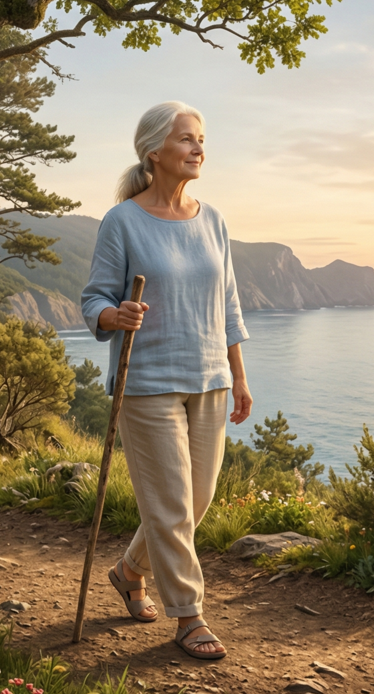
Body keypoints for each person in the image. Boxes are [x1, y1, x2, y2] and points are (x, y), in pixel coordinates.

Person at [80, 101, 252, 660]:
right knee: (173, 506)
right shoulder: (122, 221)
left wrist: (239, 377)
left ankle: (129, 571)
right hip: (147, 382)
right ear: (154, 151)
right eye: (186, 139)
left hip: (211, 379)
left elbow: (228, 306)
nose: (198, 148)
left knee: (194, 502)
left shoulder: (214, 220)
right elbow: (94, 298)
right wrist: (115, 315)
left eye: (201, 139)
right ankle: (189, 616)